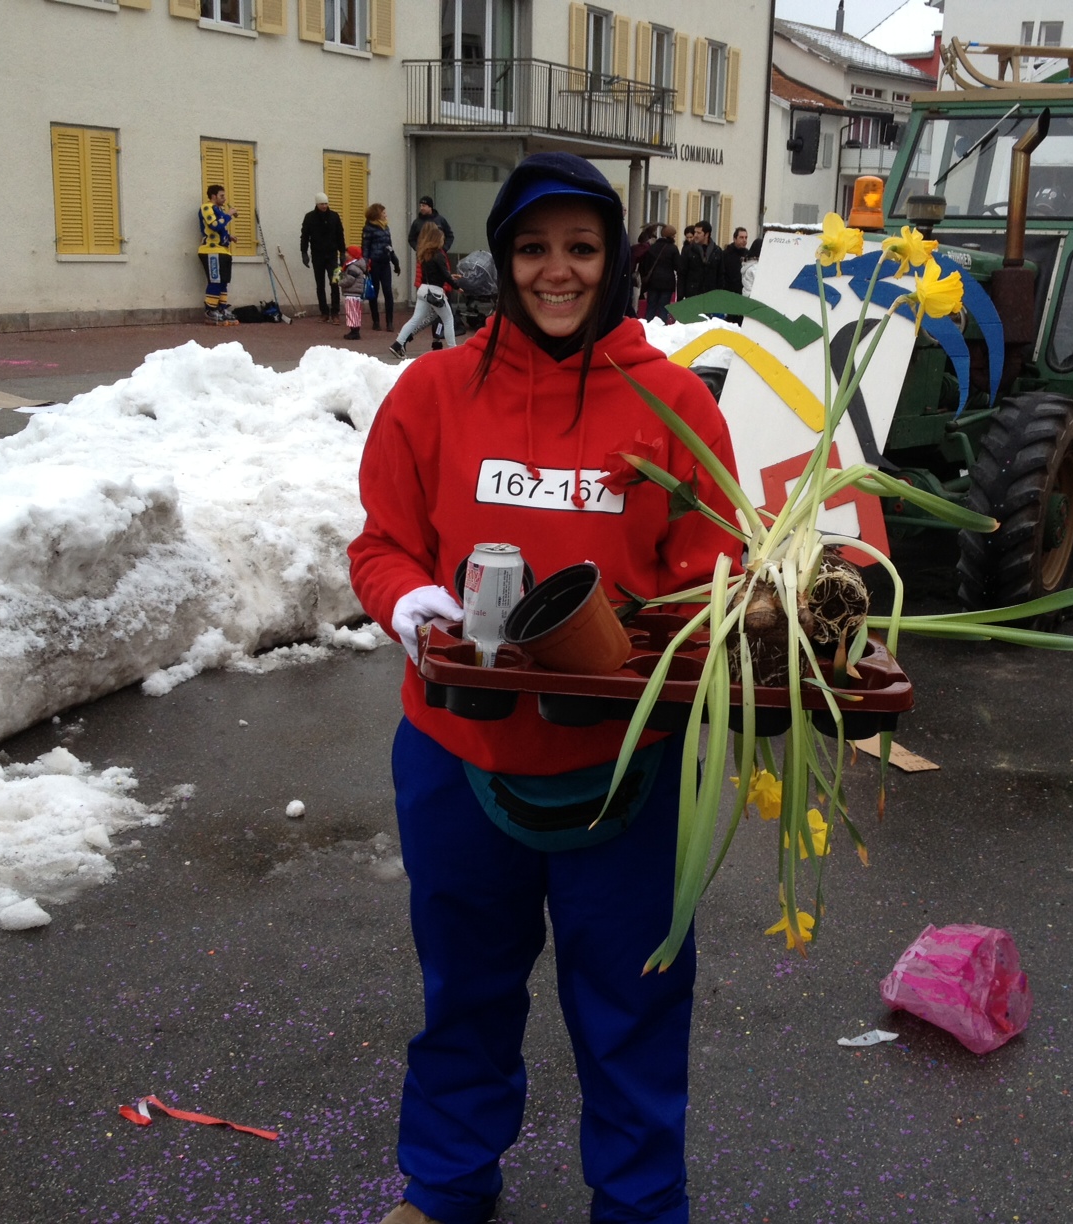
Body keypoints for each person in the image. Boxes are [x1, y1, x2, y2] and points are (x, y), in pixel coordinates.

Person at [348, 150, 740, 1224]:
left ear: (614, 258)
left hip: (628, 767)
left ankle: (640, 1205)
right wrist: (410, 602)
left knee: (634, 1003)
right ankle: (446, 1186)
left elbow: (717, 566)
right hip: (459, 754)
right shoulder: (434, 392)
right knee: (464, 990)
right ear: (503, 258)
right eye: (532, 248)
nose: (556, 271)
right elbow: (381, 543)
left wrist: (733, 617)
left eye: (580, 248)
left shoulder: (673, 403)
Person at [388, 221, 457, 358]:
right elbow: (444, 274)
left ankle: (398, 344)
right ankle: (453, 349)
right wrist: (457, 286)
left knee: (415, 319)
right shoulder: (439, 255)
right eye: (442, 238)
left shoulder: (424, 253)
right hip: (435, 292)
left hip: (423, 290)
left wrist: (449, 278)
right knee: (448, 319)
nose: (443, 241)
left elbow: (435, 273)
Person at [300, 192, 347, 322]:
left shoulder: (335, 216)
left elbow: (340, 235)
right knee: (320, 285)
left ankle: (335, 313)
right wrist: (304, 252)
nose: (324, 206)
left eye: (326, 203)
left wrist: (343, 253)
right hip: (317, 256)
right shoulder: (309, 217)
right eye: (322, 204)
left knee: (335, 282)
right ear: (317, 204)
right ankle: (324, 312)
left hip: (333, 256)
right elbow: (304, 236)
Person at [197, 184, 237, 325]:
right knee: (215, 280)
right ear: (213, 196)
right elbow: (214, 226)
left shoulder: (219, 210)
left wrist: (229, 237)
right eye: (221, 196)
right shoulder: (206, 207)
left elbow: (220, 230)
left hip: (223, 250)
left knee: (224, 281)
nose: (224, 198)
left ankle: (222, 308)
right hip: (211, 250)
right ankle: (210, 310)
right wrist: (229, 215)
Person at [363, 203, 403, 333]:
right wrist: (365, 264)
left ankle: (389, 322)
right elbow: (365, 247)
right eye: (383, 212)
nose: (385, 214)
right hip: (374, 264)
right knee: (374, 293)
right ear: (377, 214)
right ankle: (376, 321)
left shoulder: (386, 227)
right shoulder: (368, 228)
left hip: (385, 263)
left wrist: (395, 261)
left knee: (388, 292)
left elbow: (389, 246)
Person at [637, 223, 679, 325]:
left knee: (651, 307)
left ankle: (648, 327)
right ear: (670, 236)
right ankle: (662, 327)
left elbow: (646, 265)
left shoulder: (652, 247)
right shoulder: (673, 248)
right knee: (663, 308)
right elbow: (677, 266)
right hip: (667, 283)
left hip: (652, 283)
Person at [677, 219, 721, 302]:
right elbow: (682, 273)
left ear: (706, 234)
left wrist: (719, 294)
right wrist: (680, 295)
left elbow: (720, 274)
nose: (695, 235)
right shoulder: (688, 250)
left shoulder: (717, 251)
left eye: (698, 233)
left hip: (710, 294)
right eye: (695, 232)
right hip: (692, 294)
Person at [338, 245, 368, 340]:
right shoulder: (357, 266)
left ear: (352, 255)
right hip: (356, 294)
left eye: (348, 253)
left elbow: (349, 280)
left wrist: (340, 282)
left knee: (351, 313)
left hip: (352, 294)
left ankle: (354, 332)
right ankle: (355, 331)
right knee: (356, 313)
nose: (346, 254)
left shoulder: (352, 267)